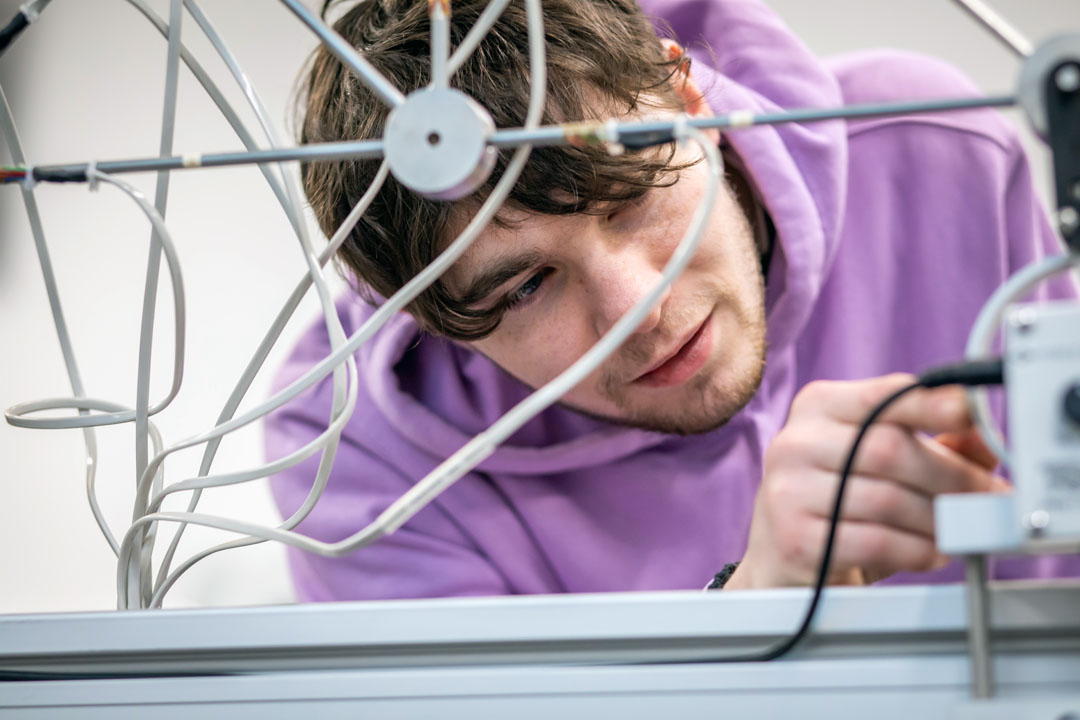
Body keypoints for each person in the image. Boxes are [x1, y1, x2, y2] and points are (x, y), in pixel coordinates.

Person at [266, 0, 1079, 601]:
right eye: (527, 286)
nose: (637, 308)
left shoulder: (937, 152)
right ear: (431, 321)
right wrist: (754, 611)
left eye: (633, 197)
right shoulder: (342, 440)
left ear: (695, 102)